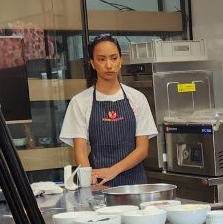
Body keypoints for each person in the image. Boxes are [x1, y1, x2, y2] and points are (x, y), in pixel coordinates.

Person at [59, 35, 157, 187]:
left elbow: (143, 149)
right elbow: (80, 150)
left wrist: (113, 170)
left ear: (121, 60)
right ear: (92, 63)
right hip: (98, 183)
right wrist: (89, 181)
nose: (109, 65)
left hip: (135, 185)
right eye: (101, 59)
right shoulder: (80, 102)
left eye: (113, 58)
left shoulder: (137, 98)